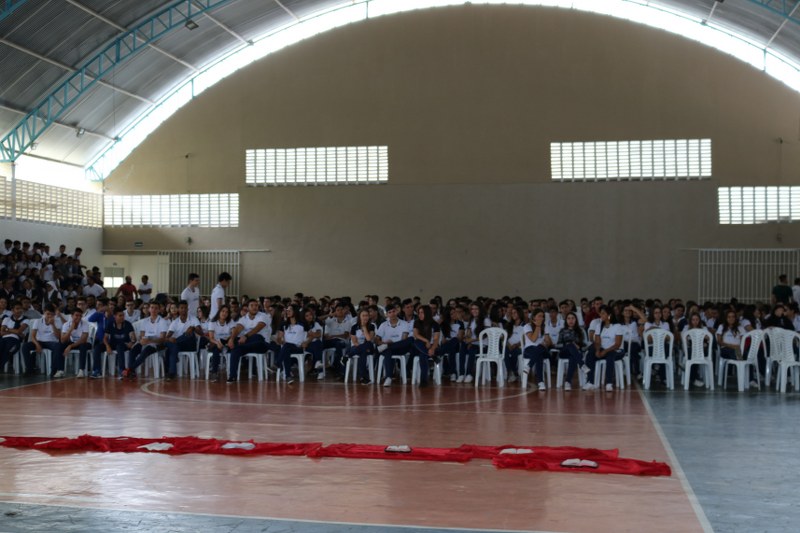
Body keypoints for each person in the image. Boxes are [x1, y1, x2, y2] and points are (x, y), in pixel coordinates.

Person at [227, 298, 270, 383]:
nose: (255, 307)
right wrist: (231, 339)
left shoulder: (263, 316)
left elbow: (258, 327)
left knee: (256, 337)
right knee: (235, 349)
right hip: (248, 344)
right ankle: (232, 376)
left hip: (261, 344)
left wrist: (246, 336)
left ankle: (237, 346)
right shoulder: (244, 318)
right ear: (248, 308)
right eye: (252, 305)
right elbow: (238, 328)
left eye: (256, 305)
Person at [123, 303, 169, 379]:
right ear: (149, 309)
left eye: (156, 308)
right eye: (152, 307)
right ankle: (132, 372)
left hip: (156, 344)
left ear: (159, 310)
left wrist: (150, 340)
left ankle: (129, 370)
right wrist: (142, 340)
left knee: (145, 352)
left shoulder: (162, 321)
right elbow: (142, 335)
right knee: (133, 351)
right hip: (145, 342)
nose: (153, 310)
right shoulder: (145, 321)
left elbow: (162, 339)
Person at [584, 305, 624, 392]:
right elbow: (597, 342)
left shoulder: (617, 326)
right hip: (602, 349)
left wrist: (605, 351)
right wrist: (598, 350)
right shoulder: (599, 326)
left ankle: (609, 383)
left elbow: (617, 344)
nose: (601, 316)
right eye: (600, 313)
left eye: (603, 313)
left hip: (614, 350)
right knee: (590, 355)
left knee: (611, 356)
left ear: (609, 315)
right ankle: (590, 381)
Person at [377, 303, 414, 386]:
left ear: (397, 312)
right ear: (386, 314)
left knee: (410, 339)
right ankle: (388, 378)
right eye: (389, 312)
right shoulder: (383, 325)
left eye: (393, 311)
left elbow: (404, 340)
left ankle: (388, 346)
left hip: (400, 348)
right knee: (388, 350)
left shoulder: (404, 323)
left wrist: (390, 344)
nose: (392, 314)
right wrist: (383, 343)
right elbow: (377, 340)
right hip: (387, 348)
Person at [21, 304, 63, 376]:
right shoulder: (38, 321)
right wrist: (37, 345)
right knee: (25, 346)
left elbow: (58, 337)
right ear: (44, 312)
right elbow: (33, 336)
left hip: (52, 342)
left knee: (58, 346)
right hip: (39, 341)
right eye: (48, 314)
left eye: (52, 314)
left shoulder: (57, 321)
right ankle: (29, 369)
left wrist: (53, 325)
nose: (49, 316)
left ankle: (54, 369)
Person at [164, 300, 199, 380]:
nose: (183, 310)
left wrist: (193, 328)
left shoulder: (193, 319)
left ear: (187, 309)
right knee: (172, 346)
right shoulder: (175, 322)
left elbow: (200, 332)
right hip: (178, 346)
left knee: (189, 334)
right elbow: (167, 336)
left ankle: (170, 371)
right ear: (178, 309)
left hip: (190, 345)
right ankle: (172, 372)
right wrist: (170, 339)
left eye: (185, 308)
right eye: (181, 308)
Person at [275, 304, 307, 384]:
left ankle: (278, 363)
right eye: (287, 310)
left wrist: (306, 342)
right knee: (286, 349)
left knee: (286, 348)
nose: (287, 312)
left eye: (290, 310)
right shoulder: (284, 324)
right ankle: (288, 376)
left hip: (298, 347)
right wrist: (279, 339)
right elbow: (279, 339)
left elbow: (310, 335)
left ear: (295, 311)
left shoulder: (303, 323)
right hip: (287, 347)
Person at [411, 304, 440, 387]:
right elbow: (416, 335)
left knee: (422, 355)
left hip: (432, 346)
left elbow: (436, 339)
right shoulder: (417, 322)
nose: (420, 315)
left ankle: (423, 380)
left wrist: (432, 348)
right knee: (416, 342)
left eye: (422, 312)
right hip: (421, 345)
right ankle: (434, 357)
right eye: (419, 312)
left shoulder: (435, 324)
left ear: (427, 313)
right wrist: (426, 340)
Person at [522, 308, 552, 390]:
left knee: (540, 347)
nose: (541, 318)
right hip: (530, 349)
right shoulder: (527, 326)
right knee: (539, 354)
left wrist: (546, 342)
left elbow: (549, 343)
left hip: (542, 349)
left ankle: (529, 366)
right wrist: (538, 326)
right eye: (539, 316)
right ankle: (541, 382)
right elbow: (533, 339)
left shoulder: (545, 327)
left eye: (542, 316)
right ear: (533, 317)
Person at [344, 309, 376, 385]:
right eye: (363, 315)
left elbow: (369, 339)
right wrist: (361, 347)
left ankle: (347, 355)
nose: (365, 317)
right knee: (363, 352)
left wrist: (364, 328)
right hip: (357, 347)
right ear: (359, 317)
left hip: (369, 346)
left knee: (367, 345)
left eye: (367, 315)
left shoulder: (371, 326)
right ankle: (363, 378)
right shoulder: (354, 327)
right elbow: (355, 342)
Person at [103, 307, 136, 377]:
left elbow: (133, 337)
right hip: (112, 344)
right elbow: (105, 338)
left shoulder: (128, 324)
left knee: (120, 346)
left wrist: (132, 342)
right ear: (114, 316)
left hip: (125, 345)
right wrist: (107, 346)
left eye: (123, 315)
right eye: (120, 315)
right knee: (97, 347)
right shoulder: (110, 324)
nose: (122, 317)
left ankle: (122, 369)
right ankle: (96, 370)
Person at [556, 312, 585, 390]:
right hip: (564, 352)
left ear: (576, 320)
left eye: (573, 318)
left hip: (575, 353)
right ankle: (582, 364)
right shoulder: (562, 331)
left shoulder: (580, 331)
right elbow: (558, 345)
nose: (571, 320)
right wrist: (568, 344)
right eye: (568, 318)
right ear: (566, 320)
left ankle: (567, 382)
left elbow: (584, 345)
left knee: (573, 357)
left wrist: (579, 347)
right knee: (570, 345)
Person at [207, 305, 234, 382]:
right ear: (219, 312)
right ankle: (214, 372)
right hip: (215, 342)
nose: (224, 313)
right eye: (223, 311)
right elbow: (211, 338)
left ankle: (232, 373)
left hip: (227, 342)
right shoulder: (212, 322)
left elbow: (233, 332)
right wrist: (217, 342)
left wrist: (231, 339)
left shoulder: (230, 322)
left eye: (227, 312)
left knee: (234, 344)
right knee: (216, 349)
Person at [60, 308, 90, 377]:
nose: (78, 317)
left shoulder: (85, 324)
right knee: (60, 345)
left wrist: (70, 346)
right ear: (72, 316)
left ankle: (81, 370)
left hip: (84, 343)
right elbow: (62, 340)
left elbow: (83, 340)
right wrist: (70, 329)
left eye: (80, 316)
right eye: (76, 315)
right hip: (72, 342)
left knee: (83, 346)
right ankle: (60, 370)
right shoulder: (66, 324)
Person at [0, 301, 29, 373]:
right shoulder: (6, 319)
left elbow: (19, 331)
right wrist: (14, 331)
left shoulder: (26, 319)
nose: (20, 310)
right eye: (17, 308)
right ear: (12, 310)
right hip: (4, 339)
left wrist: (7, 329)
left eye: (21, 308)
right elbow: (1, 333)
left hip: (15, 341)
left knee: (7, 351)